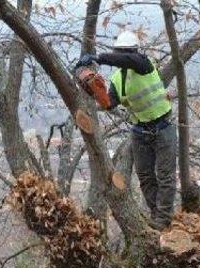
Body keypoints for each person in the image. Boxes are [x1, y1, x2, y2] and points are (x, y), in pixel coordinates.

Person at [76, 31, 177, 230]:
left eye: (123, 53)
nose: (121, 57)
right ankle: (156, 214)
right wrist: (94, 90)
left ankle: (163, 219)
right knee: (146, 176)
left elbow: (129, 60)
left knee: (165, 176)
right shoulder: (117, 78)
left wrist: (98, 57)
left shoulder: (143, 64)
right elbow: (110, 103)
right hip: (140, 131)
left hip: (162, 126)